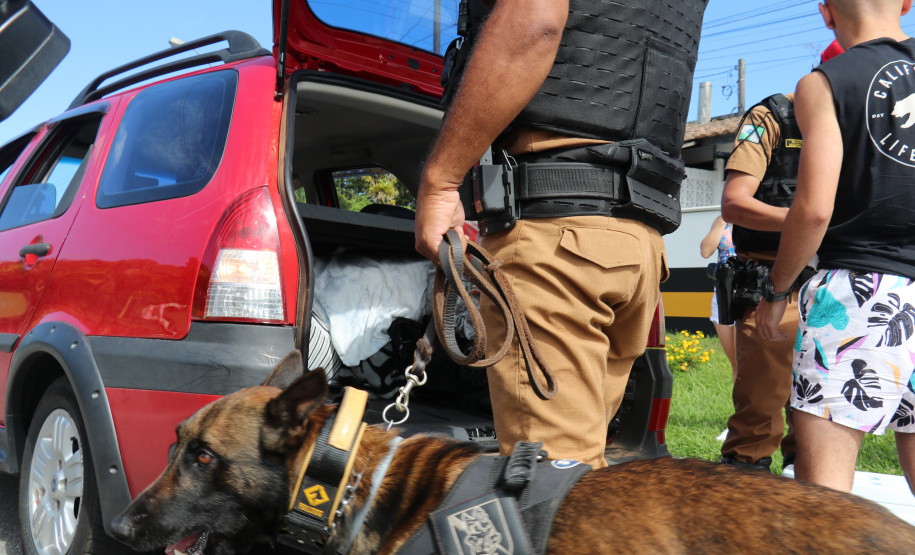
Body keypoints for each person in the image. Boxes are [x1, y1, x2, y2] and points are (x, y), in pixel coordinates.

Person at [414, 0, 708, 468]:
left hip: (558, 243)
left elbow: (535, 22)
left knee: (550, 496)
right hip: (637, 244)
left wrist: (441, 180)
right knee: (585, 478)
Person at [757, 0, 915, 494]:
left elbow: (814, 210)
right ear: (906, 3)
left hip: (860, 290)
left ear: (825, 12)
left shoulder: (824, 82)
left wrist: (776, 289)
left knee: (823, 497)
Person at [700, 214, 738, 442]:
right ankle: (739, 421)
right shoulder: (723, 219)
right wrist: (722, 220)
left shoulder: (766, 212)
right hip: (723, 292)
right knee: (736, 363)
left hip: (755, 292)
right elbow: (705, 251)